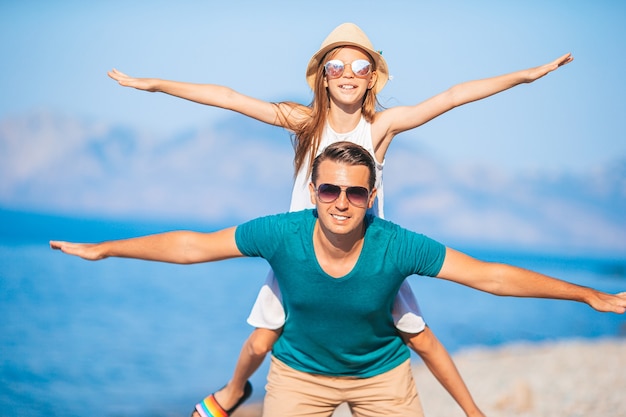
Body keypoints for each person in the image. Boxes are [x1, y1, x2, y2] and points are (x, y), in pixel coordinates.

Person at [108, 22, 573, 416]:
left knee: (417, 334)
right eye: (336, 67)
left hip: (367, 255)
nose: (347, 75)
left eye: (360, 67)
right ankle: (231, 395)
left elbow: (453, 96)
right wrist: (155, 85)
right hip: (298, 253)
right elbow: (228, 98)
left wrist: (526, 77)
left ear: (373, 77)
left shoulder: (381, 127)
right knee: (259, 342)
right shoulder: (303, 121)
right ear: (323, 77)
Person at [51, 141, 626, 417]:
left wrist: (588, 294)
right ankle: (231, 396)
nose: (342, 202)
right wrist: (107, 249)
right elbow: (193, 247)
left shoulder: (397, 244)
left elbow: (490, 276)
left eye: (356, 191)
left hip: (383, 380)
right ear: (314, 192)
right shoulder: (281, 233)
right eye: (330, 189)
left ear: (371, 196)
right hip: (299, 378)